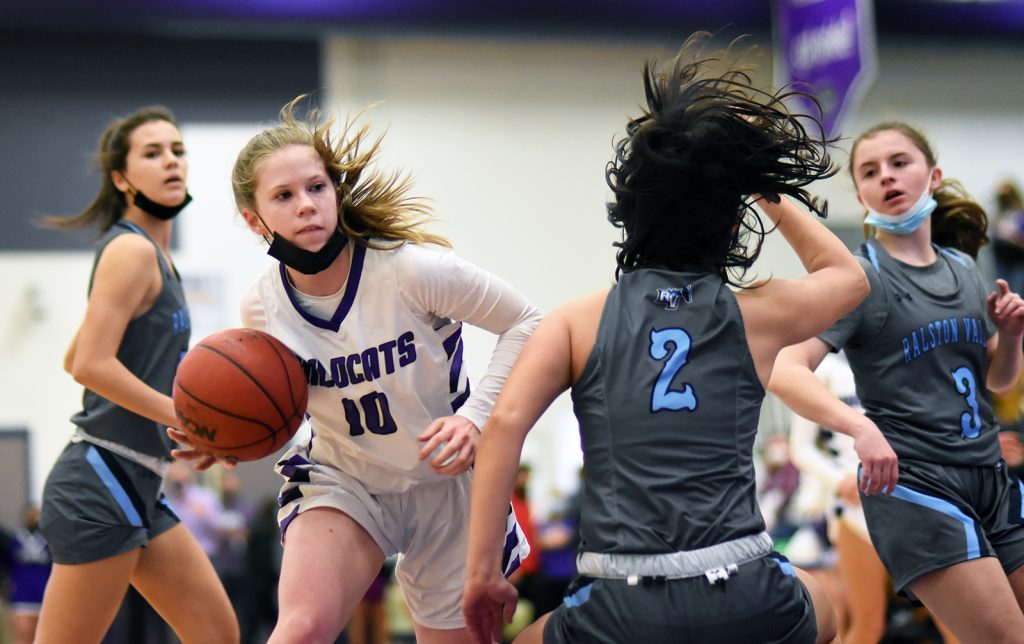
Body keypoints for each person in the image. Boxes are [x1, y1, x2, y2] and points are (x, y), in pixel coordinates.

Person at [462, 36, 877, 644]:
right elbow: (849, 278)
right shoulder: (753, 313)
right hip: (747, 594)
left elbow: (503, 427)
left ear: (628, 212)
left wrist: (482, 575)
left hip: (624, 607)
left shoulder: (577, 319)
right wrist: (760, 183)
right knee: (830, 603)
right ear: (733, 223)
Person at [172, 96, 540, 644]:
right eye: (284, 195)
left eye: (317, 187)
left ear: (336, 192)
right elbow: (282, 410)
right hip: (344, 481)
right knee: (300, 629)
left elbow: (528, 323)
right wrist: (230, 438)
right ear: (255, 220)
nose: (306, 205)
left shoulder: (412, 270)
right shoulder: (262, 308)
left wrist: (477, 419)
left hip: (444, 483)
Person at [769, 121, 1024, 642]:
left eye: (899, 163)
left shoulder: (963, 267)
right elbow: (783, 368)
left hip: (989, 478)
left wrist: (1012, 335)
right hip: (916, 487)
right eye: (869, 171)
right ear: (860, 193)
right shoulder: (861, 279)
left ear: (933, 176)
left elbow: (998, 382)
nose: (886, 176)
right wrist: (858, 428)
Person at [35, 106, 239, 644]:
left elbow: (75, 353)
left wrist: (189, 428)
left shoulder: (158, 258)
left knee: (216, 633)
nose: (171, 161)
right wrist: (192, 420)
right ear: (122, 179)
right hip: (100, 479)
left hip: (141, 479)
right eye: (152, 153)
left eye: (177, 150)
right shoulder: (130, 250)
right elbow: (88, 366)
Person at [4, 506, 51, 644]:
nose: (34, 518)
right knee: (23, 637)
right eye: (31, 514)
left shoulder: (49, 543)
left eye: (37, 514)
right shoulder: (14, 541)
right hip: (22, 595)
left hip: (45, 596)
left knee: (45, 638)